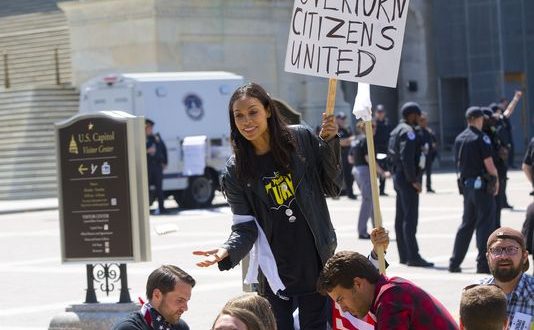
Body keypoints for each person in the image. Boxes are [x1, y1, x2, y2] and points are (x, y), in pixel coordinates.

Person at [192, 82, 342, 329]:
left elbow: (333, 187)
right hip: (274, 270)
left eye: (253, 112)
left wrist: (330, 142)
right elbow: (245, 227)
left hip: (315, 260)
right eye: (238, 115)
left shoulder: (301, 140)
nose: (246, 121)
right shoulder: (235, 169)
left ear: (268, 111)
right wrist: (226, 250)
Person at [316, 250, 458, 329]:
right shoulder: (390, 291)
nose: (343, 309)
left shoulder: (390, 302)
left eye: (341, 300)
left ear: (357, 284)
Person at [449, 107, 499, 274]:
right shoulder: (481, 137)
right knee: (485, 224)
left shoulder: (459, 138)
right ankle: (483, 264)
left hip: (467, 187)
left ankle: (454, 262)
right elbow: (489, 164)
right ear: (479, 119)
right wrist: (496, 180)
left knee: (466, 224)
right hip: (482, 188)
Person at [388, 102, 433, 267]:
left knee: (400, 217)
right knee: (410, 218)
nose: (419, 118)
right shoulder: (409, 132)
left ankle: (404, 255)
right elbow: (406, 157)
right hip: (407, 180)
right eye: (417, 114)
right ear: (411, 115)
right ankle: (413, 256)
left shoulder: (396, 130)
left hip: (398, 177)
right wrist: (414, 180)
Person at [479, 227, 534, 328]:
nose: (503, 256)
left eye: (511, 250)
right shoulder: (476, 294)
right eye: (496, 250)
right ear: (487, 257)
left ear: (525, 256)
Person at [112, 265, 195, 330]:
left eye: (186, 301)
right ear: (157, 295)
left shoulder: (180, 327)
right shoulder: (128, 328)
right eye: (180, 300)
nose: (185, 308)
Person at [348, 122, 387, 239]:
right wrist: (382, 172)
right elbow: (368, 158)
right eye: (373, 126)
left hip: (356, 170)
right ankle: (362, 230)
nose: (375, 128)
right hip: (364, 171)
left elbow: (350, 159)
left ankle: (377, 227)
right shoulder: (367, 140)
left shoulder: (356, 140)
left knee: (371, 200)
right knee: (368, 200)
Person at [146, 118, 168, 215]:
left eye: (151, 128)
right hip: (147, 167)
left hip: (157, 166)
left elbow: (163, 149)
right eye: (148, 128)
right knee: (145, 189)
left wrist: (165, 162)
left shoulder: (156, 138)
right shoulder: (142, 139)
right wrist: (147, 151)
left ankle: (161, 207)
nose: (150, 130)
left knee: (159, 188)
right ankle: (146, 209)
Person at [336, 112, 357, 199]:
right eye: (341, 119)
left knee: (349, 175)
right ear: (337, 119)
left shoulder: (347, 129)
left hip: (348, 154)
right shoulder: (335, 129)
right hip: (339, 155)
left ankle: (350, 192)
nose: (343, 121)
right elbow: (340, 142)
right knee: (338, 175)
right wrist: (348, 140)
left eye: (344, 119)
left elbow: (354, 139)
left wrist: (346, 141)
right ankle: (338, 193)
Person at [373, 104, 391, 196]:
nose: (380, 114)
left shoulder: (387, 123)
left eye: (381, 112)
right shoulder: (373, 123)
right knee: (374, 169)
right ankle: (374, 190)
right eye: (378, 112)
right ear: (376, 113)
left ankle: (382, 190)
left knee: (383, 168)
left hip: (384, 149)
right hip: (375, 149)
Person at [418, 112, 438, 193]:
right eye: (422, 120)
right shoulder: (417, 131)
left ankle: (428, 187)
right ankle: (419, 186)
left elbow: (434, 141)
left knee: (429, 171)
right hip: (421, 155)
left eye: (425, 120)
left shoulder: (429, 131)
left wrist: (433, 146)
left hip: (429, 154)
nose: (424, 122)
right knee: (420, 172)